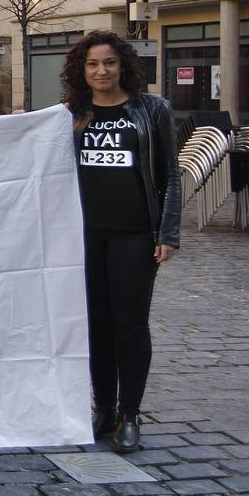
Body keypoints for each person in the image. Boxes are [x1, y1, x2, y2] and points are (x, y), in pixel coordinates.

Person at [62, 30, 180, 453]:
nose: (101, 71)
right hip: (84, 236)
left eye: (109, 63)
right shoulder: (71, 114)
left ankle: (130, 413)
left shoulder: (152, 109)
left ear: (123, 65)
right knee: (96, 325)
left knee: (129, 324)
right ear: (82, 70)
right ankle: (103, 409)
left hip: (135, 234)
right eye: (92, 64)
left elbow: (171, 176)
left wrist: (168, 233)